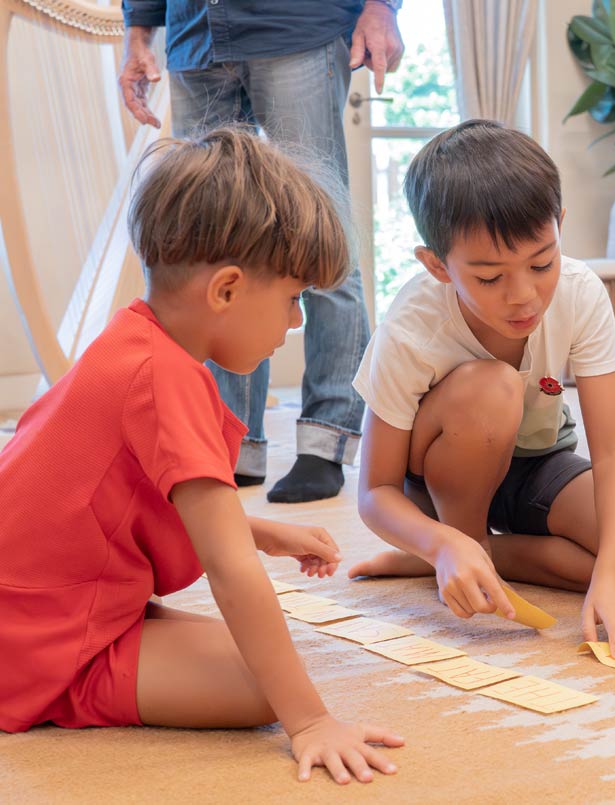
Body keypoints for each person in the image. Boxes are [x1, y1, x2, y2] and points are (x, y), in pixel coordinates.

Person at [0, 128, 403, 784]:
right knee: (260, 689)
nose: (295, 322)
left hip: (28, 598)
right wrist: (310, 721)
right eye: (293, 298)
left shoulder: (136, 340)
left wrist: (261, 531)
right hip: (31, 631)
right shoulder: (167, 379)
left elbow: (132, 502)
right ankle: (65, 682)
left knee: (256, 661)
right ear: (226, 290)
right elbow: (229, 570)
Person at [346, 120, 615, 661]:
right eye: (489, 278)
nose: (524, 295)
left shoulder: (580, 293)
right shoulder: (411, 326)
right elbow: (375, 491)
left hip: (536, 464)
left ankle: (480, 556)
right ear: (436, 265)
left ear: (560, 227)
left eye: (542, 263)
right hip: (440, 482)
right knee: (494, 388)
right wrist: (441, 539)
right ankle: (460, 545)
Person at [118, 0, 405, 502]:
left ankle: (326, 441)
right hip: (195, 36)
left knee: (322, 233)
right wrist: (138, 31)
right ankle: (234, 445)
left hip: (295, 25)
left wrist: (382, 7)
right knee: (207, 248)